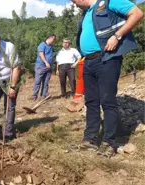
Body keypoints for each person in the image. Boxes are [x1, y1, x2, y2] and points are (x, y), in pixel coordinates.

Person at [72, 0, 143, 157]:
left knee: (107, 100)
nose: (74, 4)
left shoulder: (109, 1)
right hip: (88, 61)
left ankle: (109, 142)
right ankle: (89, 140)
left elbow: (137, 13)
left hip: (107, 59)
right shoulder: (87, 13)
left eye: (73, 0)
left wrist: (117, 36)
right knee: (91, 102)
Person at [32, 34, 56, 100]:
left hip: (49, 67)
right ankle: (34, 96)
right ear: (50, 38)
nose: (54, 41)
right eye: (53, 39)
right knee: (38, 81)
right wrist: (46, 62)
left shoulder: (51, 46)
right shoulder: (42, 45)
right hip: (41, 66)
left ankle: (43, 96)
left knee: (46, 82)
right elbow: (41, 54)